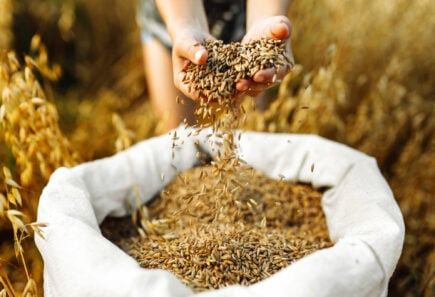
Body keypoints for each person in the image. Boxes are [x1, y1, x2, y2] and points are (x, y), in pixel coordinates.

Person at [137, 0, 294, 132]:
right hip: (171, 14)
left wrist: (266, 17)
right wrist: (185, 24)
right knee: (175, 134)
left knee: (251, 133)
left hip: (243, 18)